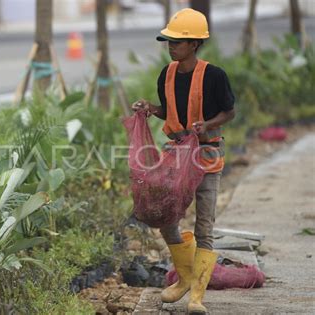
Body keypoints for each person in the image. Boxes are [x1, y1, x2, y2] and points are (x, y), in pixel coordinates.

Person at [131, 8, 235, 315]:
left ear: (194, 44)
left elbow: (230, 112)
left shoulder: (215, 75)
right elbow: (168, 109)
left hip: (207, 155)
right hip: (176, 155)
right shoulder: (167, 73)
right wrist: (150, 108)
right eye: (168, 41)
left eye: (177, 42)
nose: (170, 46)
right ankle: (186, 278)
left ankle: (196, 297)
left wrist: (209, 123)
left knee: (205, 225)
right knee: (164, 217)